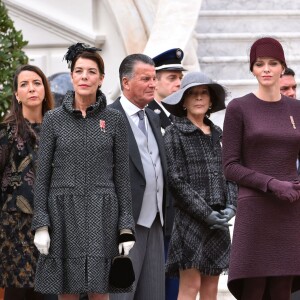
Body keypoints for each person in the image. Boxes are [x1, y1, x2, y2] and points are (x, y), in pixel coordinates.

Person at [31, 43, 135, 300]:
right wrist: (41, 224)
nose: (85, 76)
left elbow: (122, 177)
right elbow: (42, 177)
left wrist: (126, 227)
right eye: (79, 71)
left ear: (101, 78)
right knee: (67, 293)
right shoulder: (54, 119)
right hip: (62, 214)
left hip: (103, 215)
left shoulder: (114, 120)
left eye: (91, 71)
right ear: (72, 77)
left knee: (100, 293)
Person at [222, 37, 300, 300]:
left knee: (282, 290)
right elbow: (230, 166)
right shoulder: (239, 108)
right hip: (255, 208)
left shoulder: (296, 109)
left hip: (289, 208)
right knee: (253, 290)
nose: (266, 68)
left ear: (282, 68)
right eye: (259, 63)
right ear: (252, 69)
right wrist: (272, 183)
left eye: (272, 63)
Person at [161, 71, 237, 300]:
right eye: (192, 94)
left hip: (219, 219)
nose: (198, 98)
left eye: (204, 93)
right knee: (190, 285)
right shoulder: (174, 133)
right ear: (183, 101)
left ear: (211, 100)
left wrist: (232, 206)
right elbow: (175, 180)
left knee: (211, 287)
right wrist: (206, 214)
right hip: (190, 220)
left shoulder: (218, 134)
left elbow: (231, 173)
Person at [109, 54, 167, 300]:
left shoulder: (153, 116)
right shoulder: (107, 117)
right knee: (122, 295)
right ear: (126, 82)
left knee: (154, 295)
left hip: (157, 222)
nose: (153, 84)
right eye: (146, 79)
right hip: (123, 227)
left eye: (154, 78)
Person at [0, 64, 54, 300]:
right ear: (17, 95)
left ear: (45, 89)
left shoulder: (58, 129)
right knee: (19, 292)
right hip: (15, 226)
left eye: (36, 83)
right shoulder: (7, 131)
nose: (31, 89)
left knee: (50, 292)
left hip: (54, 222)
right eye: (24, 85)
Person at [147, 47, 186, 300]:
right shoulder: (146, 114)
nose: (178, 84)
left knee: (176, 286)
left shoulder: (180, 116)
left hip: (178, 216)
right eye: (172, 78)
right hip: (154, 216)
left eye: (180, 79)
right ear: (155, 80)